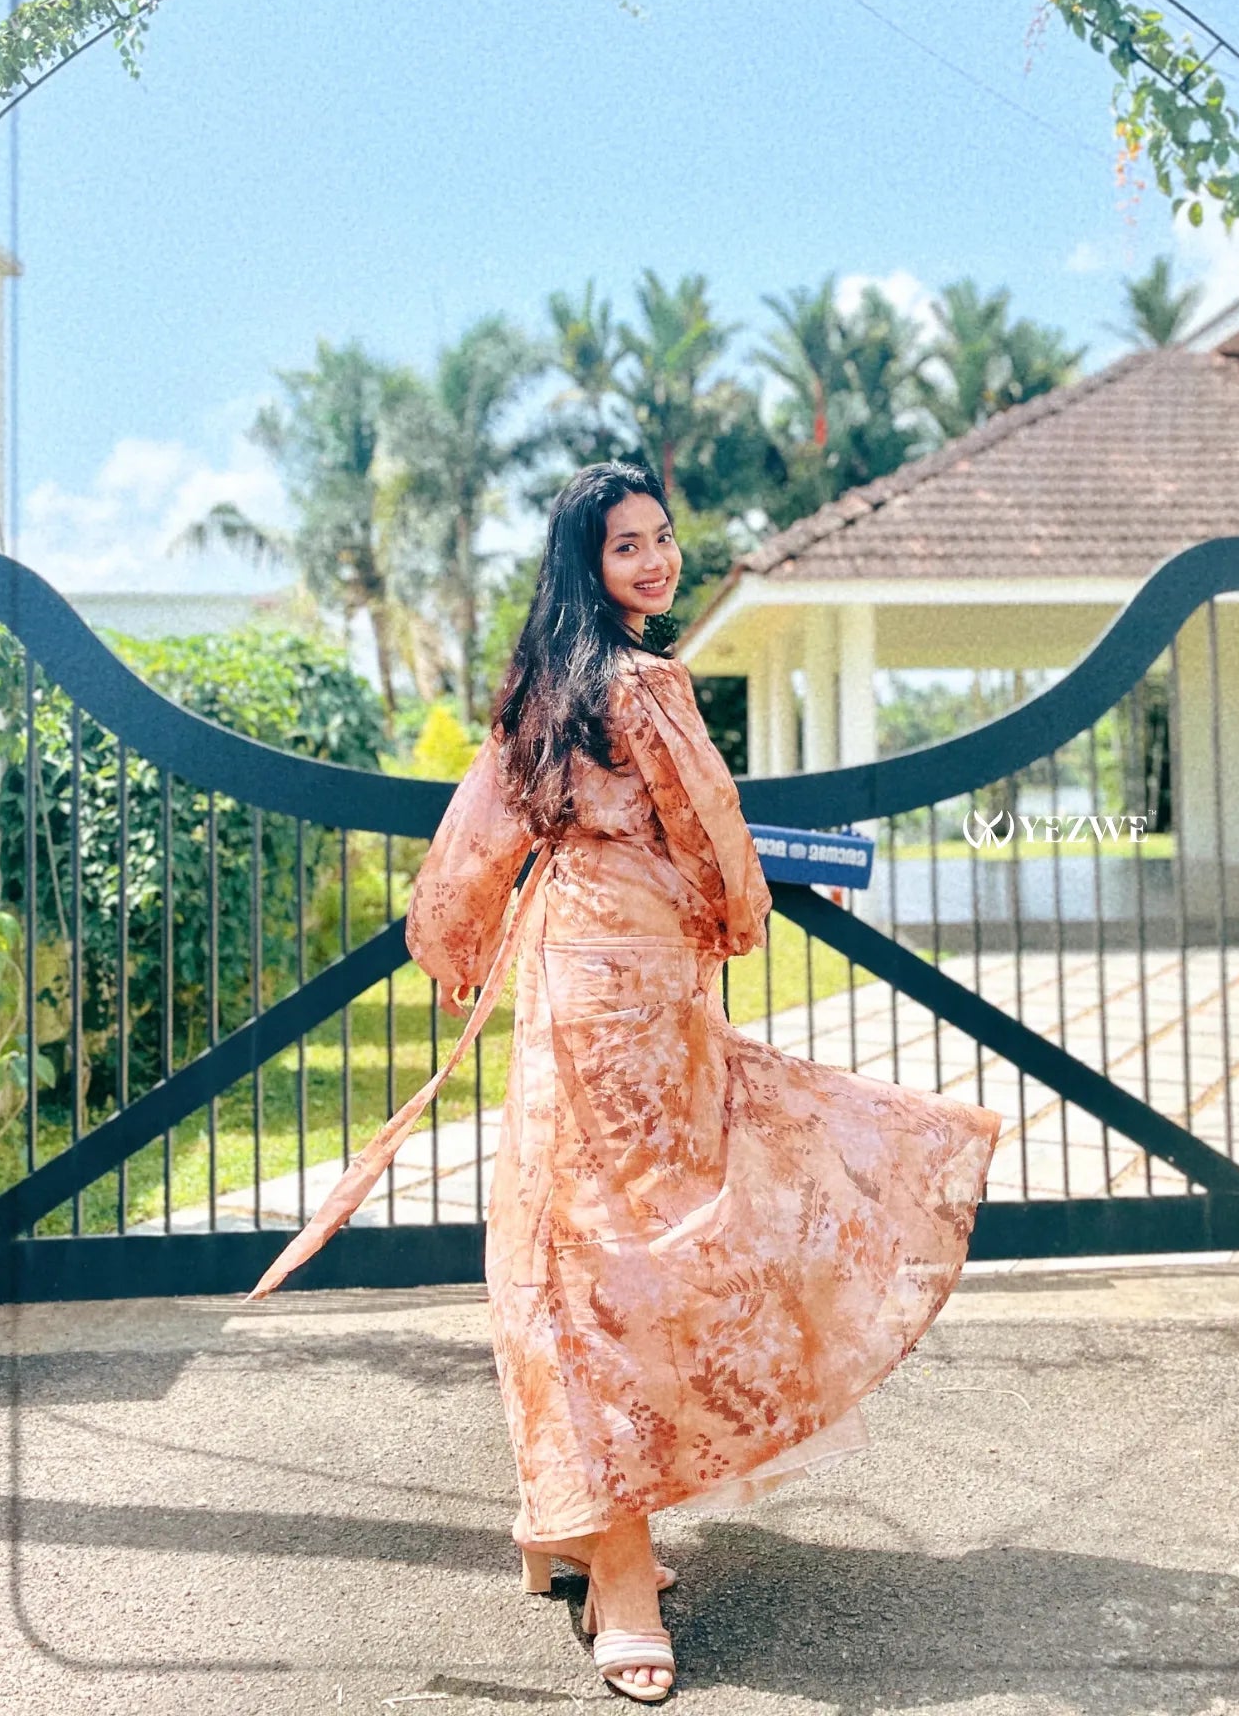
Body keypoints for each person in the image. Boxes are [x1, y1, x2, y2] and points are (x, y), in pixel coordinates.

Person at [249, 460, 1001, 1704]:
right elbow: (714, 837)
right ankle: (622, 1566)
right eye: (628, 547)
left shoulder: (539, 692)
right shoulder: (641, 684)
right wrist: (736, 915)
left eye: (662, 539)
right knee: (643, 1247)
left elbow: (469, 849)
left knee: (570, 1245)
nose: (655, 562)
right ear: (584, 567)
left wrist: (456, 941)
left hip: (564, 995)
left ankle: (576, 1517)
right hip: (634, 996)